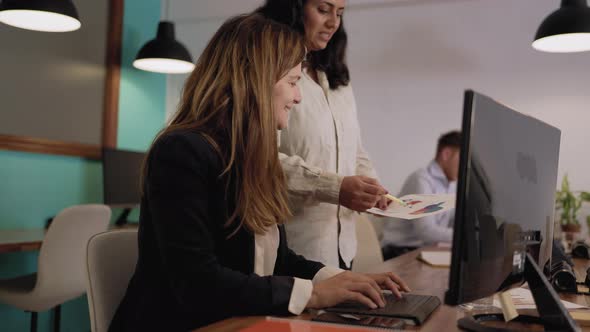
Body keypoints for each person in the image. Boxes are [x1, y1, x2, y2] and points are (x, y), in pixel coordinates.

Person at [108, 14, 409, 332]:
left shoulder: (252, 158)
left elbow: (277, 259)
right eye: (292, 82)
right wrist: (313, 295)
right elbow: (197, 283)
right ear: (255, 78)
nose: (298, 97)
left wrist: (340, 280)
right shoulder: (181, 152)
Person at [257, 0, 390, 270]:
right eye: (323, 10)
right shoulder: (270, 74)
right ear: (294, 9)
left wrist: (373, 187)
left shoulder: (336, 76)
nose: (333, 22)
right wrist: (335, 187)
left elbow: (355, 149)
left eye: (340, 13)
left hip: (343, 245)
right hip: (295, 244)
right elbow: (260, 159)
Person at [381, 131, 461, 260]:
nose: (466, 166)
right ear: (446, 154)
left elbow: (454, 221)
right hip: (398, 251)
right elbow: (426, 231)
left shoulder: (452, 184)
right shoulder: (421, 179)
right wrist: (464, 237)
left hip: (424, 249)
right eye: (462, 158)